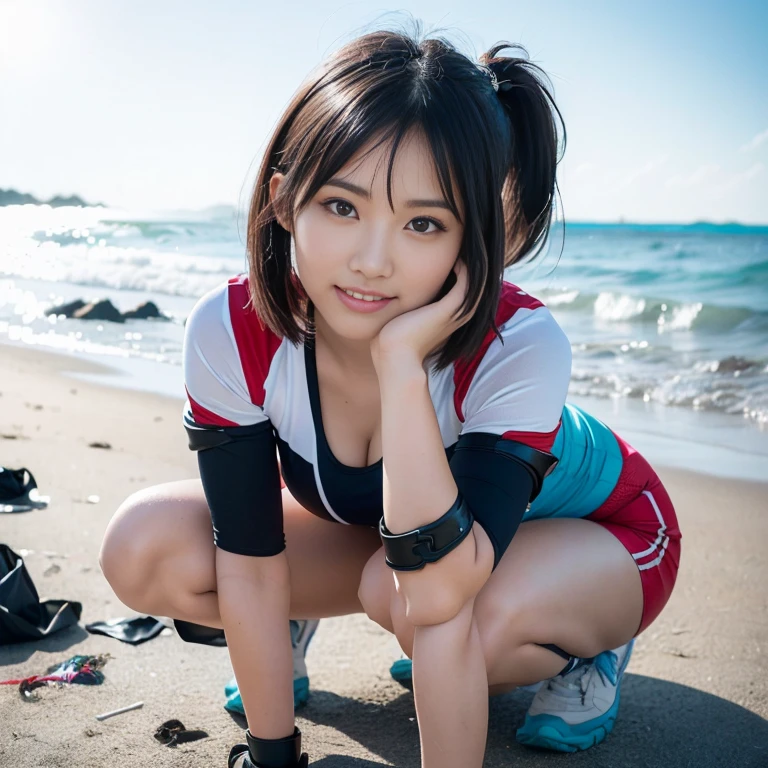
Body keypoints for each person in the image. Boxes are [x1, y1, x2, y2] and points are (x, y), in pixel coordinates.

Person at [99, 26, 682, 768]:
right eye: (343, 207)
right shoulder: (233, 329)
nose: (373, 261)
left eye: (423, 223)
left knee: (421, 602)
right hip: (399, 540)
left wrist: (401, 364)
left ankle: (584, 654)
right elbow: (247, 560)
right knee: (147, 545)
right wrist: (272, 757)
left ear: (470, 241)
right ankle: (304, 625)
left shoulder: (518, 343)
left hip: (610, 534)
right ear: (284, 202)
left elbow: (440, 592)